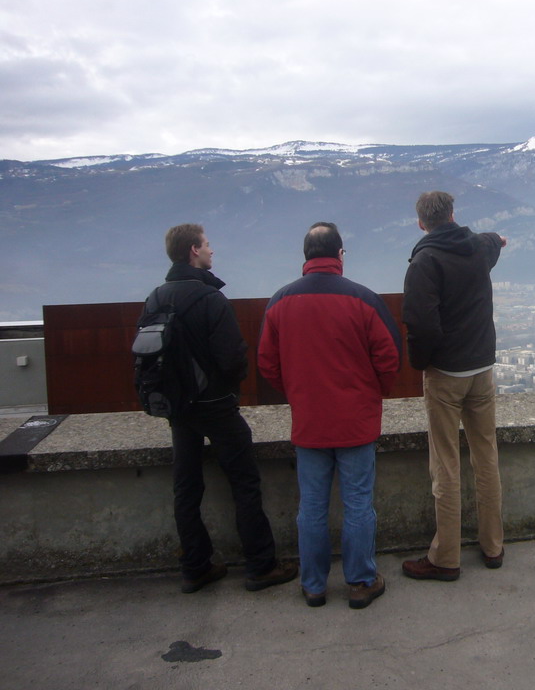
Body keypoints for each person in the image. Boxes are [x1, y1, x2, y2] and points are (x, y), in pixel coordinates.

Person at [146, 223, 296, 594]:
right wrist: (227, 391)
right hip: (216, 406)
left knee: (186, 488)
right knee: (244, 483)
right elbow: (232, 358)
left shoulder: (156, 298)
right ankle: (261, 565)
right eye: (208, 245)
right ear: (194, 251)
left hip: (178, 409)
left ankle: (195, 567)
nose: (212, 251)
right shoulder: (210, 299)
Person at [258, 222, 401, 608]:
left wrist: (297, 393)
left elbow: (266, 363)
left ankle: (314, 585)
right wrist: (373, 392)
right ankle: (360, 582)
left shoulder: (280, 302)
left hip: (310, 422)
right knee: (357, 503)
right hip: (356, 420)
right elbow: (389, 358)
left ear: (305, 256)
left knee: (312, 507)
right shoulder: (364, 300)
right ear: (340, 255)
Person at [401, 191, 507, 582]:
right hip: (482, 368)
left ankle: (446, 557)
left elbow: (422, 323)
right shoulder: (477, 248)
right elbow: (495, 241)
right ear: (452, 214)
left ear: (421, 223)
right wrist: (499, 240)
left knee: (445, 463)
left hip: (446, 373)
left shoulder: (424, 261)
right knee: (486, 455)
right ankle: (493, 545)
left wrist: (420, 364)